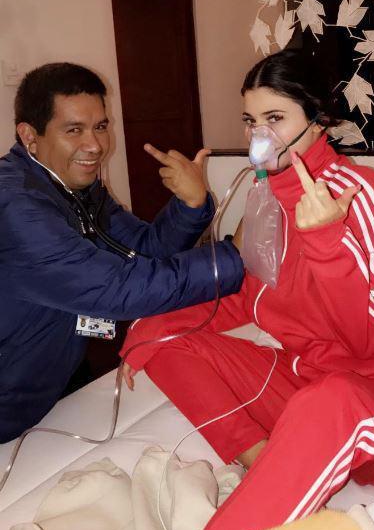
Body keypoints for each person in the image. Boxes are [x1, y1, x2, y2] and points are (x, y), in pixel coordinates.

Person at [121, 49, 374, 530]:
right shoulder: (264, 201)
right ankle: (265, 464)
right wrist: (152, 327)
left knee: (334, 399)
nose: (259, 135)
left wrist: (325, 241)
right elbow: (246, 297)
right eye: (250, 120)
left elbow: (369, 340)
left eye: (275, 118)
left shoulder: (362, 194)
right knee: (162, 341)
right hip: (311, 384)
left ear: (317, 120)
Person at [0, 62, 243, 443]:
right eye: (74, 130)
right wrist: (235, 258)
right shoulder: (15, 206)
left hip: (49, 381)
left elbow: (145, 250)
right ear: (30, 135)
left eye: (100, 126)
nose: (95, 145)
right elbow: (118, 288)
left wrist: (190, 205)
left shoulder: (75, 189)